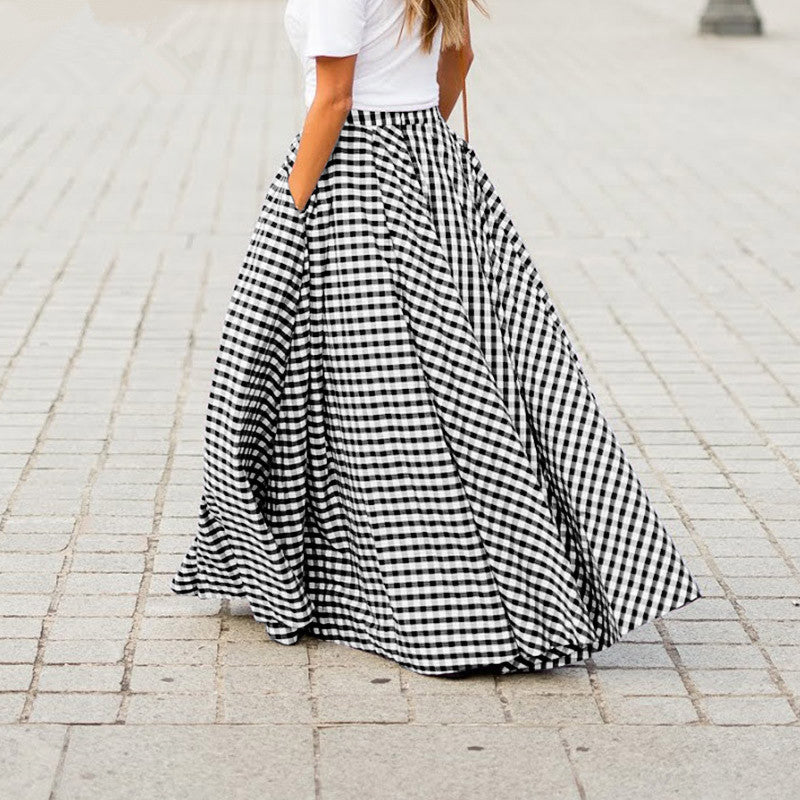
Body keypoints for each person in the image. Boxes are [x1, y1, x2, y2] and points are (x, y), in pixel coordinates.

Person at [170, 0, 702, 678]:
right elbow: (459, 59)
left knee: (346, 392)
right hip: (433, 165)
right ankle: (492, 579)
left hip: (354, 173)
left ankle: (427, 597)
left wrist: (292, 204)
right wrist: (418, 142)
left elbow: (332, 99)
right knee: (459, 382)